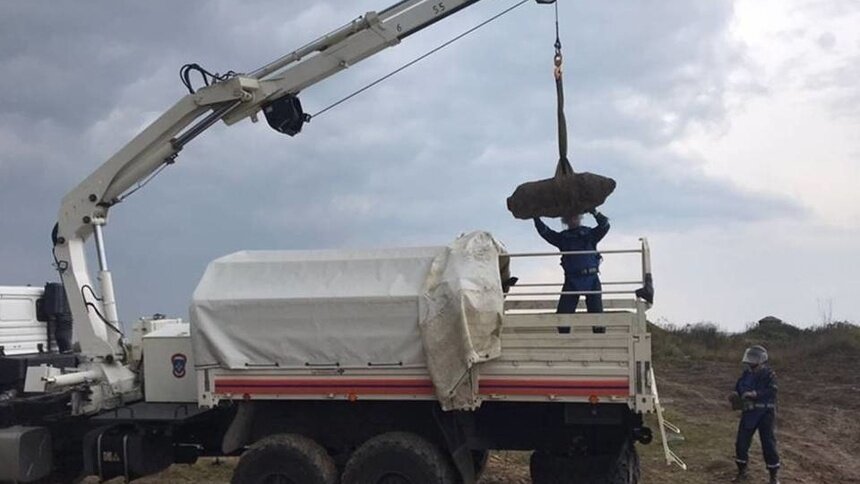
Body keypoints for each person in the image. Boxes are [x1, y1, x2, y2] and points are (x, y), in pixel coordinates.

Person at [533, 209, 610, 314]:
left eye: (575, 216)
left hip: (592, 279)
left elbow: (605, 225)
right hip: (572, 280)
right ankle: (565, 330)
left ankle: (599, 330)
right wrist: (535, 217)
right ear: (565, 220)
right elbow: (545, 232)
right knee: (562, 318)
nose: (573, 219)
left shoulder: (590, 234)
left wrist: (594, 211)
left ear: (579, 217)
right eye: (569, 217)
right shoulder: (562, 238)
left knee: (598, 319)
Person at [732, 345, 780, 483]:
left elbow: (772, 391)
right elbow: (739, 387)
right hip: (749, 412)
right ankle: (742, 472)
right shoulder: (746, 374)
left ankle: (773, 476)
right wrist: (735, 394)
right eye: (750, 357)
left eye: (754, 357)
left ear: (762, 359)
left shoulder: (769, 374)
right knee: (741, 443)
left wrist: (756, 394)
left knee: (768, 444)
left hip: (765, 412)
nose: (751, 360)